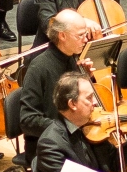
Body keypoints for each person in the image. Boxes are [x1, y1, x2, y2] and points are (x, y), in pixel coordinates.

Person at [17, 11, 91, 156]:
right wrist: (67, 126)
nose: (85, 39)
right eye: (80, 35)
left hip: (72, 138)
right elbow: (27, 120)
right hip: (48, 146)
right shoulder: (38, 68)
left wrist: (85, 78)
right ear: (62, 36)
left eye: (86, 34)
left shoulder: (73, 59)